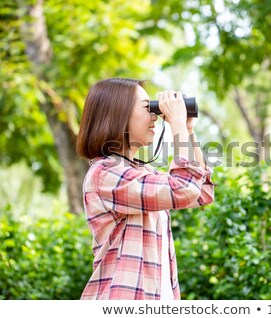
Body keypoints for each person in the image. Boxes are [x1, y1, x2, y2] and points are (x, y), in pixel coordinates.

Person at [76, 78, 214, 300]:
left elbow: (201, 193)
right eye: (147, 107)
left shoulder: (141, 172)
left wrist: (187, 130)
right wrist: (176, 124)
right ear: (117, 114)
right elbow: (184, 188)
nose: (154, 116)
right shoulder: (106, 174)